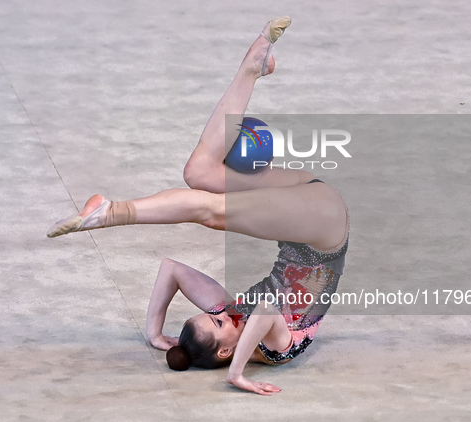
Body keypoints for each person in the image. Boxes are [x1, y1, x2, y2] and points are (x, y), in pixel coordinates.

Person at [46, 16, 349, 396]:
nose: (223, 312)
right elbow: (268, 309)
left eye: (213, 313)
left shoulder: (232, 318)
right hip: (324, 229)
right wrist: (236, 375)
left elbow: (172, 269)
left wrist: (155, 332)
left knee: (200, 172)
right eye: (219, 322)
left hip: (301, 215)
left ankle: (253, 66)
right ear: (226, 350)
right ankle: (111, 213)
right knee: (212, 212)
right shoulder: (275, 349)